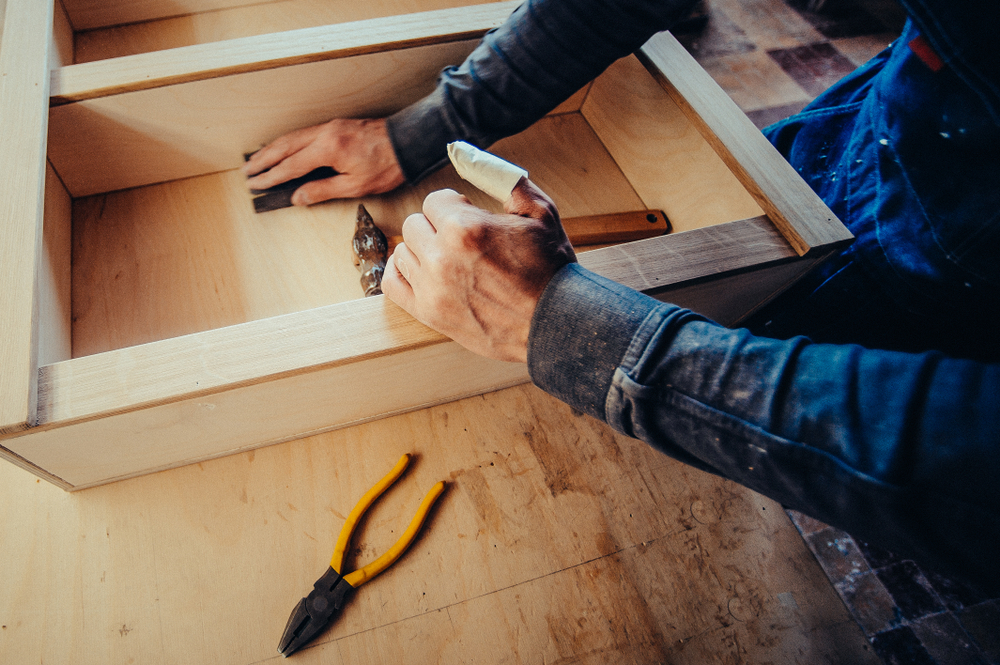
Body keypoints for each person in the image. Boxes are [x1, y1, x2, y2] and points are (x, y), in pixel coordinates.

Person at [244, 0, 1000, 592]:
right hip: (899, 115)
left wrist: (575, 332)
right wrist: (424, 130)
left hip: (948, 284)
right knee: (769, 262)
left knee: (769, 294)